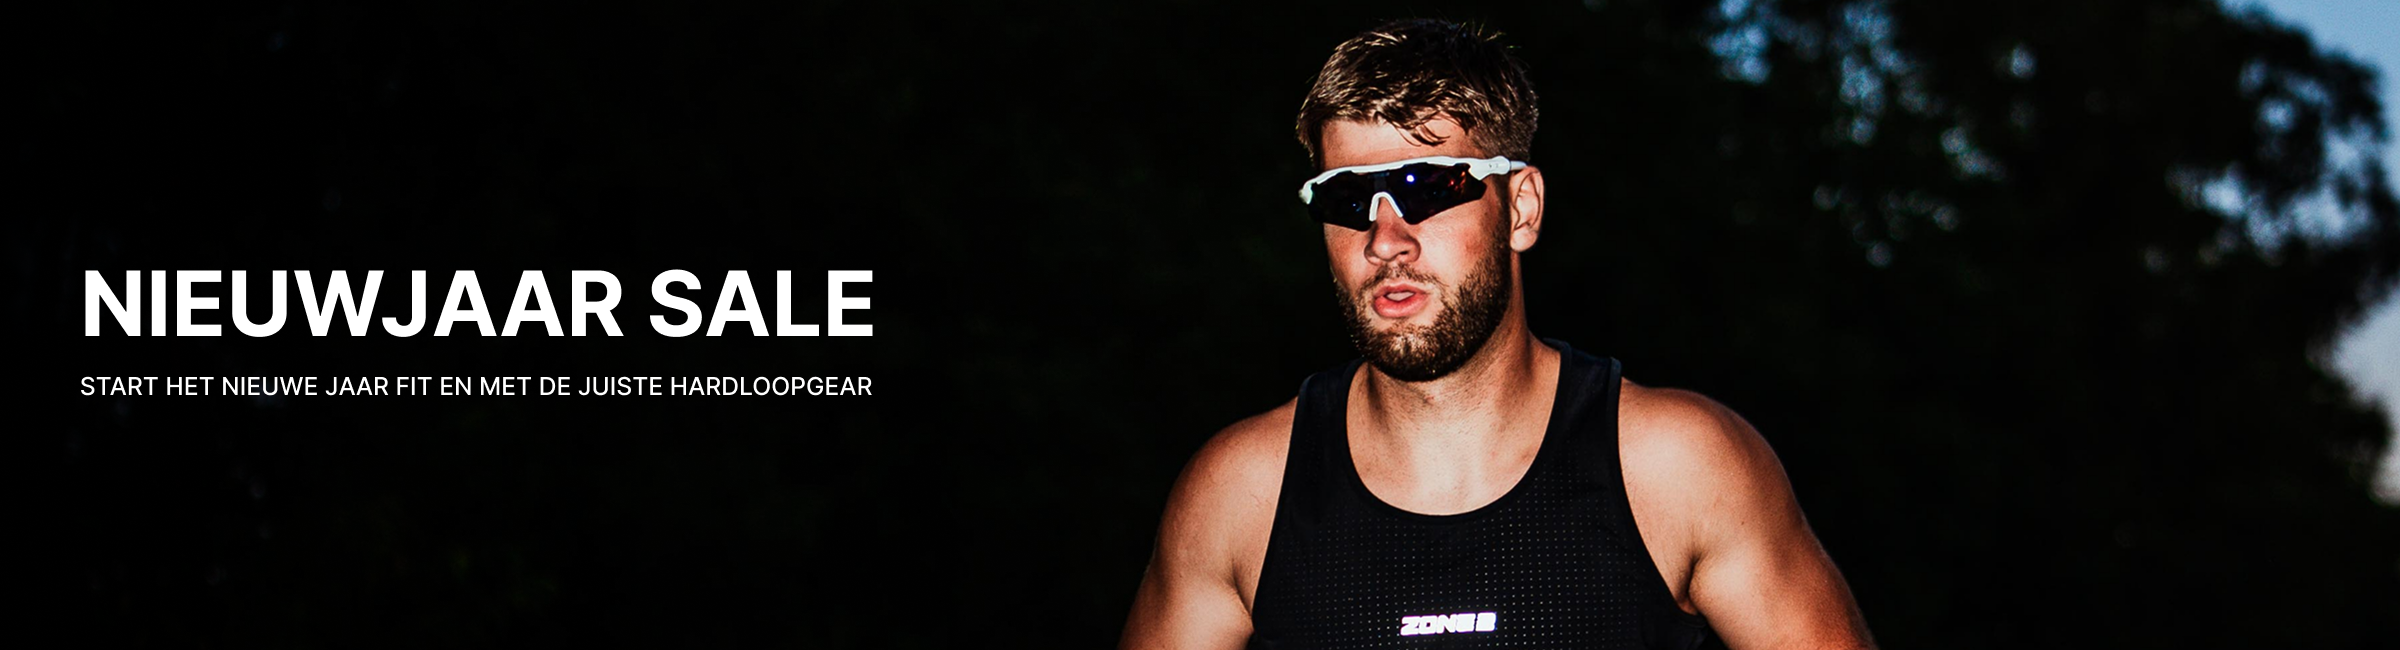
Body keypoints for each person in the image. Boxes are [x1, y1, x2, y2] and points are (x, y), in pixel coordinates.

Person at [1121, 18, 1874, 650]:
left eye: (1429, 186)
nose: (1386, 240)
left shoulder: (1678, 468)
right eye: (1348, 199)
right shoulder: (1241, 495)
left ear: (1521, 207)